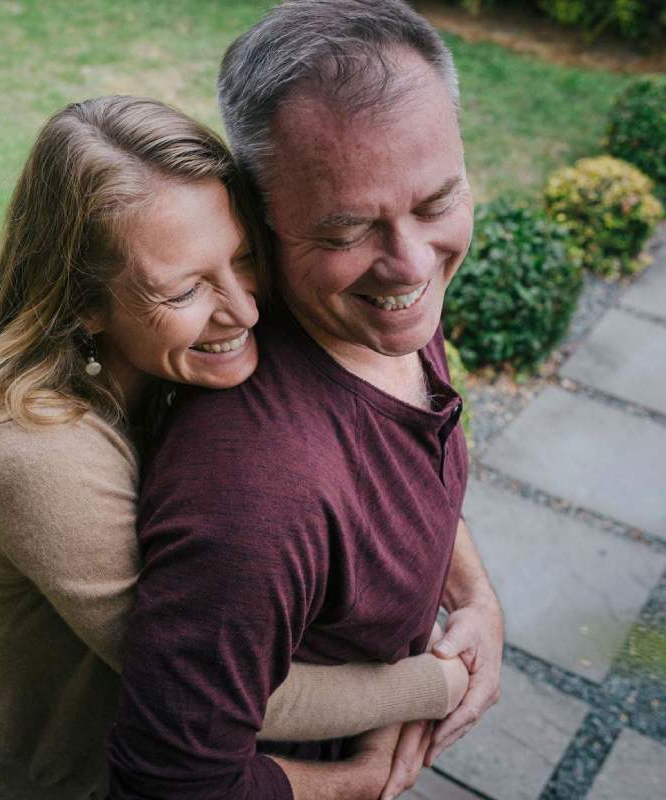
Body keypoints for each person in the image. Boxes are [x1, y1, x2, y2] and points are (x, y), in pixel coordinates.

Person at [0, 94, 468, 800]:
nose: (245, 309)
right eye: (186, 289)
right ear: (82, 301)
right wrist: (440, 680)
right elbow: (210, 693)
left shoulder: (168, 359)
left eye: (242, 258)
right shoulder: (36, 453)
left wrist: (472, 593)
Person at [105, 2, 505, 799]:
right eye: (347, 231)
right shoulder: (256, 494)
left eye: (435, 204)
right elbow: (171, 784)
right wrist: (359, 784)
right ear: (261, 218)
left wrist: (476, 599)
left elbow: (413, 476)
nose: (411, 266)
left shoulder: (378, 314)